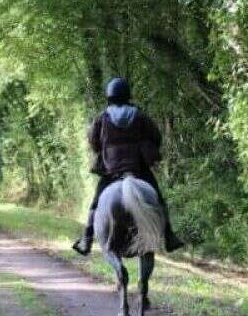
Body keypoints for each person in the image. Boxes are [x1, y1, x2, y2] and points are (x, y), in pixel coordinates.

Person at [72, 77, 182, 255]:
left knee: (95, 204)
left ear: (109, 96)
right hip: (138, 170)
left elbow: (93, 142)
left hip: (112, 172)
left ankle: (86, 240)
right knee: (159, 200)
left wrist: (105, 151)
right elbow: (156, 136)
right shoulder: (139, 115)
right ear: (127, 95)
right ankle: (169, 236)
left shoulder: (102, 118)